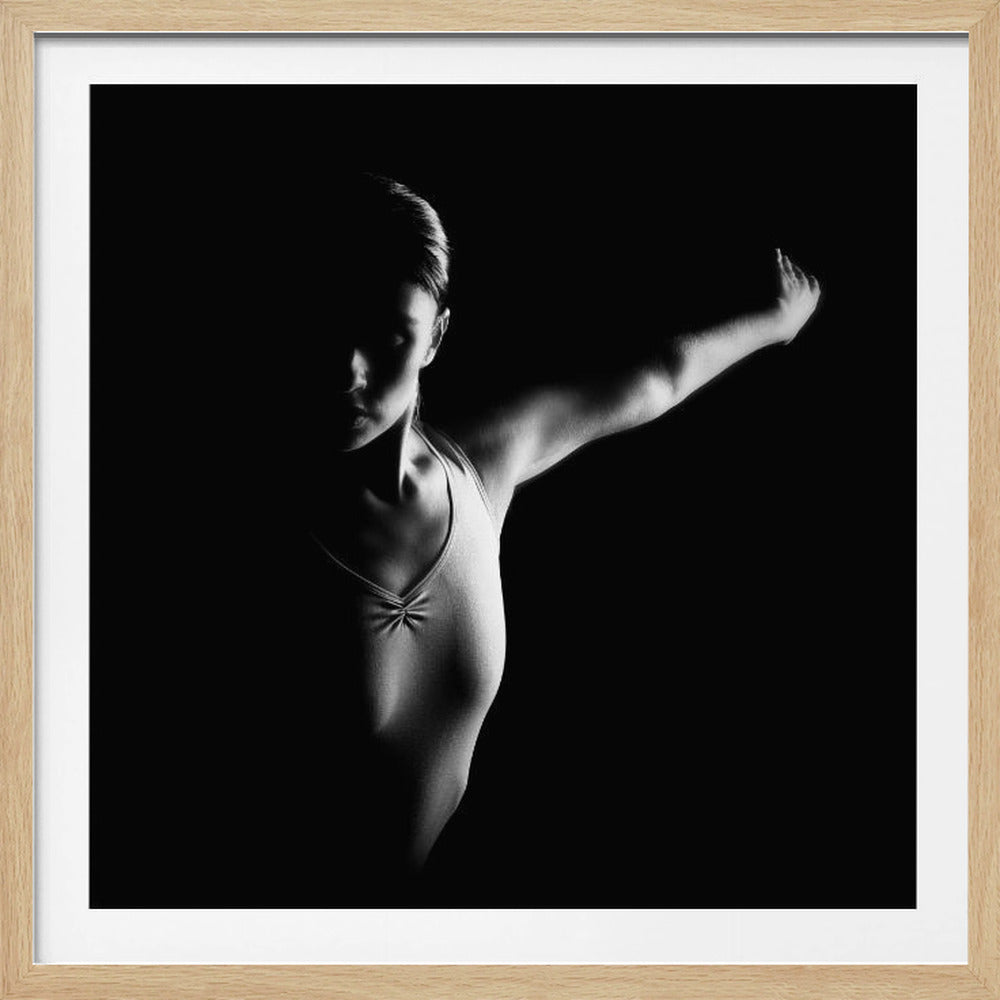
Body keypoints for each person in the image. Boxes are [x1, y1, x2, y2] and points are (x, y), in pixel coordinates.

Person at [285, 173, 821, 900]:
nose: (348, 369)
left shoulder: (477, 469)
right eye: (329, 325)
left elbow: (656, 376)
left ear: (435, 337)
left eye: (388, 336)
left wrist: (776, 322)